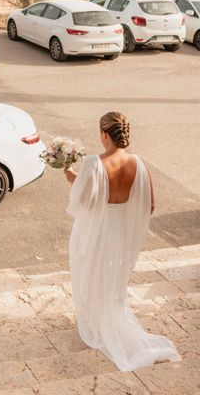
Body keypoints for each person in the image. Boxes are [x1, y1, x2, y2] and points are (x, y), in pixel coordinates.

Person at [63, 112, 181, 372]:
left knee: (92, 275)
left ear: (104, 134)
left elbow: (83, 202)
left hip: (98, 231)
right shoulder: (138, 163)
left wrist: (72, 178)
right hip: (118, 234)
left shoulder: (94, 163)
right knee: (113, 280)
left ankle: (97, 326)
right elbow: (150, 204)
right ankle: (111, 319)